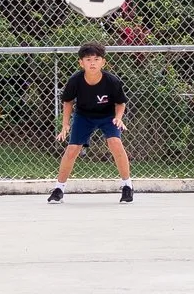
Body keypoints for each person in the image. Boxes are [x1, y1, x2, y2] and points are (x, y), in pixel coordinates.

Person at [49, 41, 133, 204]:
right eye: (88, 59)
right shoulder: (75, 80)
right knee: (72, 149)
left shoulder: (112, 81)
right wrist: (65, 124)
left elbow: (121, 102)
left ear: (103, 61)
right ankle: (59, 189)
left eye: (96, 59)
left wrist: (118, 117)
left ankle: (127, 186)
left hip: (108, 116)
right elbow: (67, 101)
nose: (92, 63)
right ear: (81, 62)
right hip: (83, 116)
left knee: (115, 143)